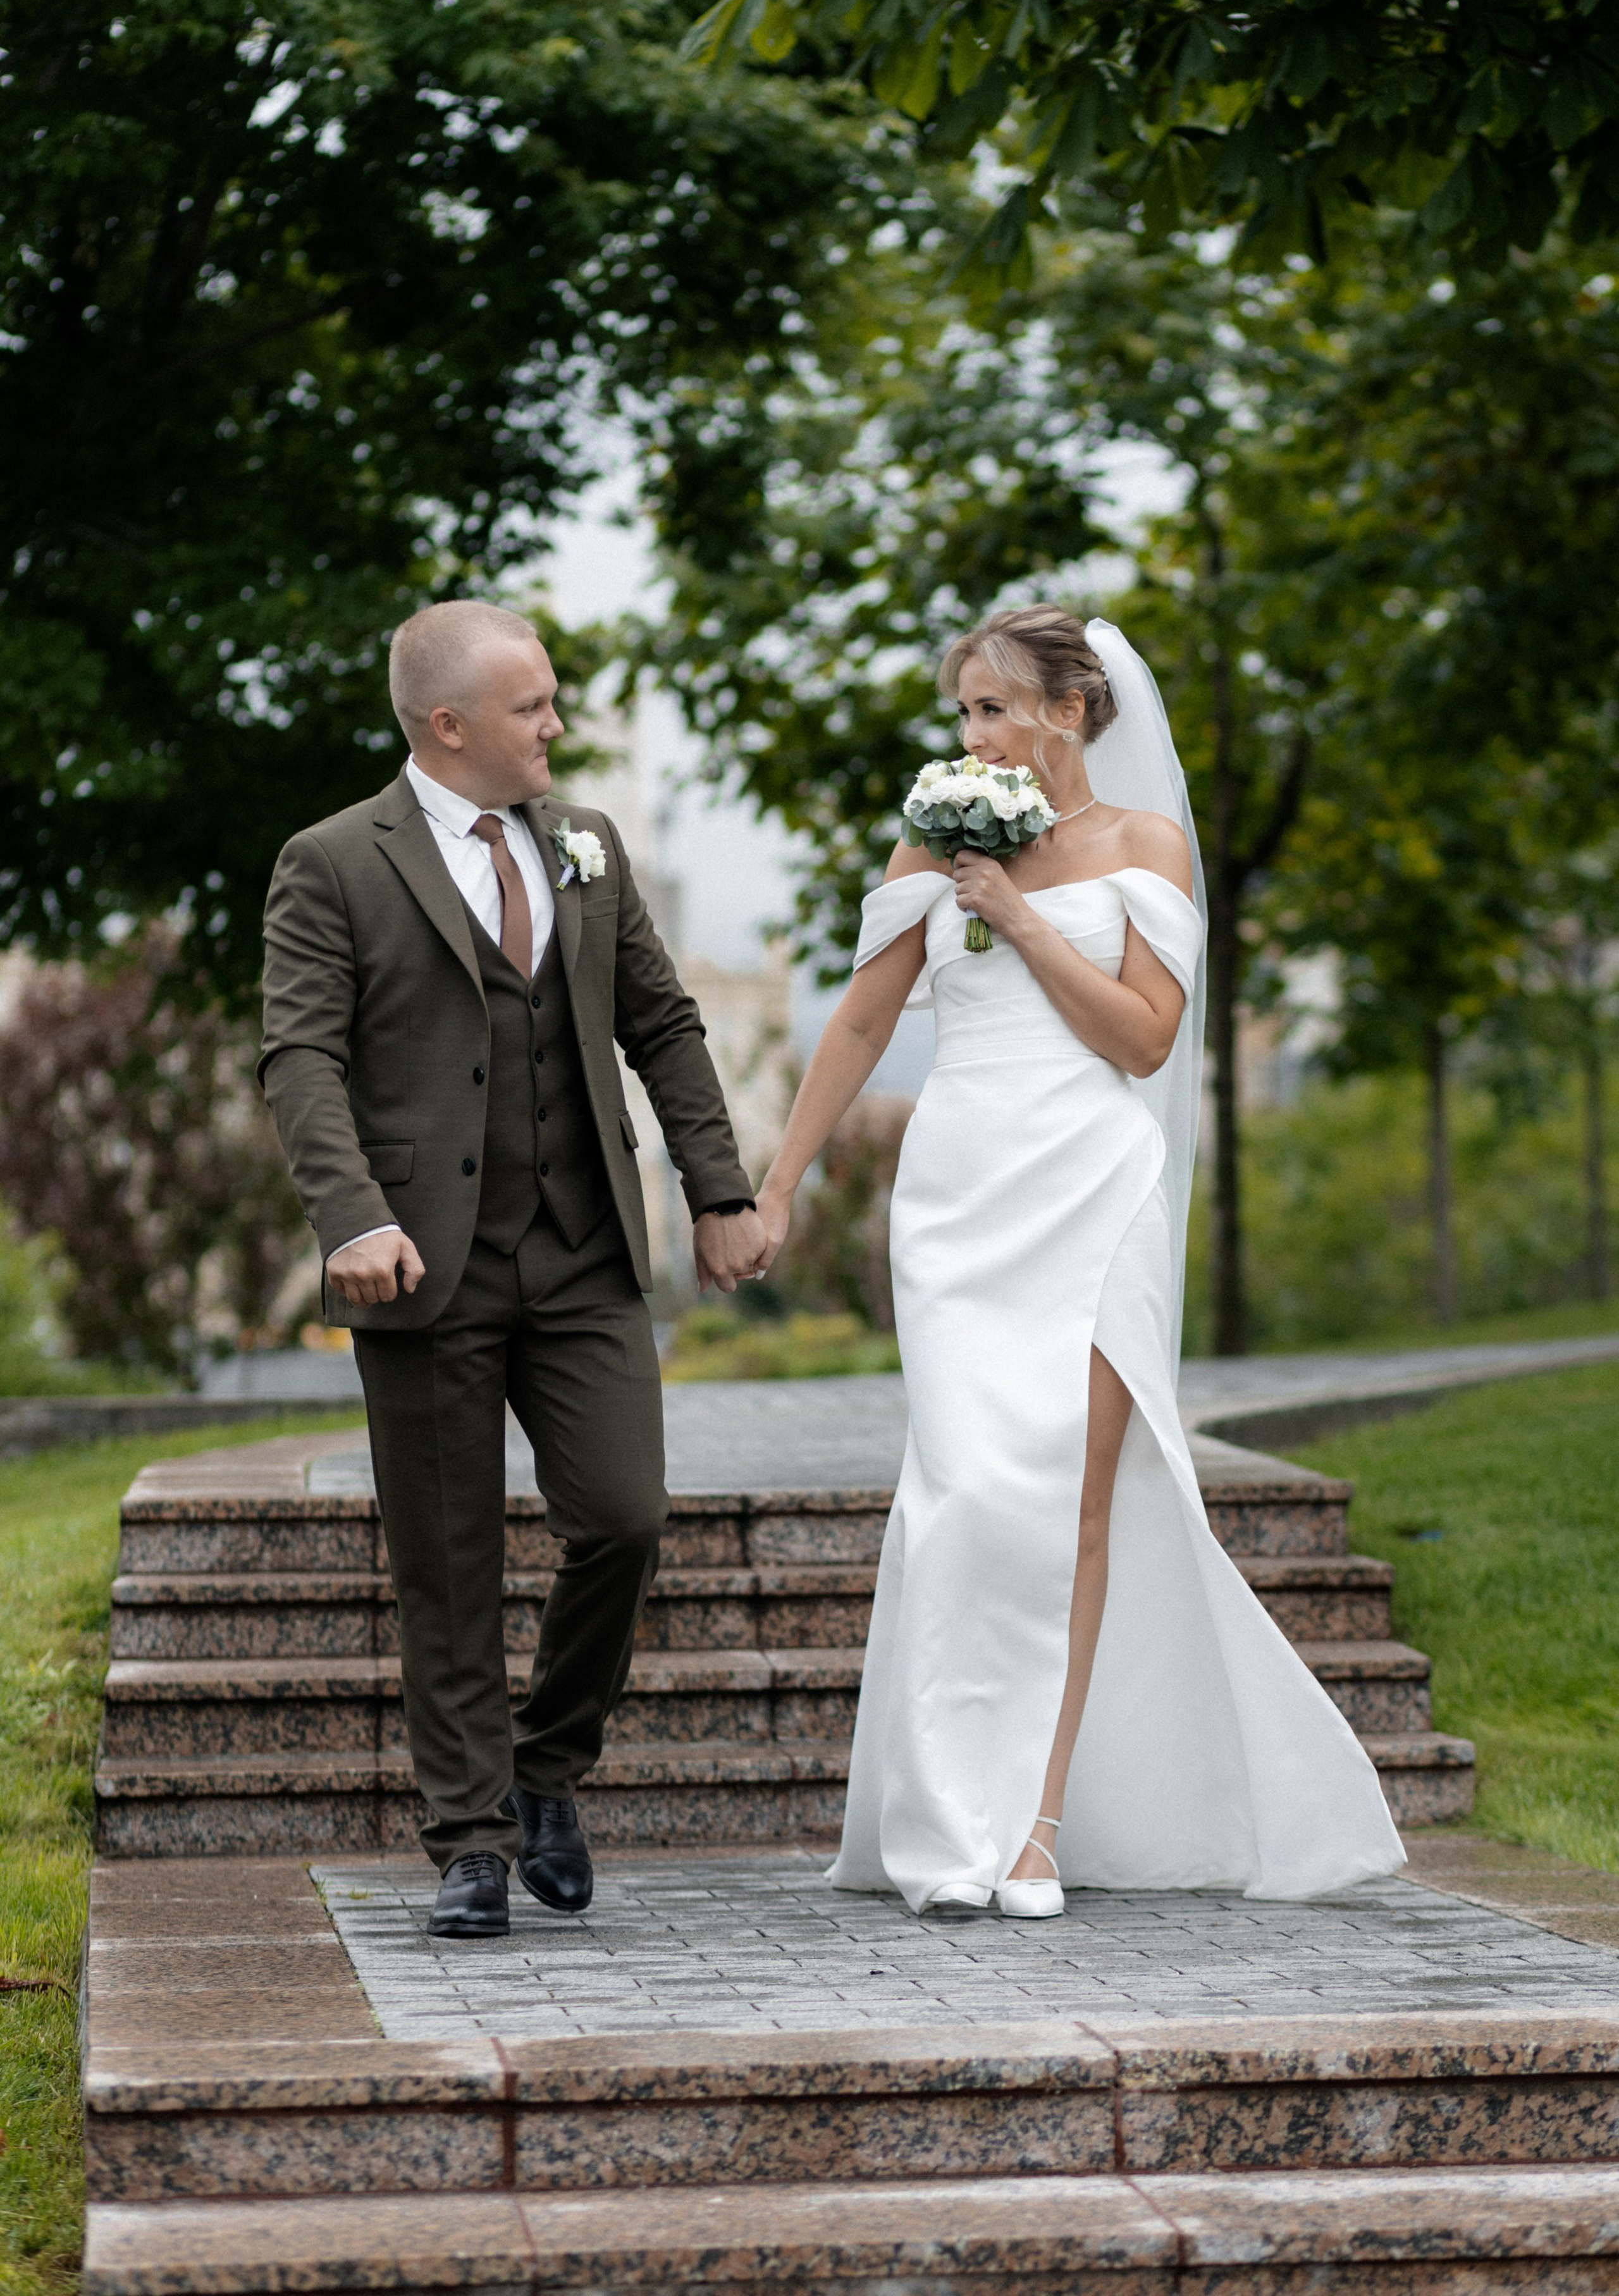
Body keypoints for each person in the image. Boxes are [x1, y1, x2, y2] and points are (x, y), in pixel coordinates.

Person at [755, 607, 1405, 1915]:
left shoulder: (1143, 846)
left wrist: (1016, 913)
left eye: (992, 707)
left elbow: (1143, 1043)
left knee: (1072, 1503)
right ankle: (944, 1821)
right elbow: (864, 1019)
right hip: (954, 1196)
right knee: (956, 1492)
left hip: (1090, 1190)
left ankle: (1036, 1829)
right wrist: (776, 1187)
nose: (971, 734)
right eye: (960, 714)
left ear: (1070, 709)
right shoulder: (926, 841)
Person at [259, 601, 766, 1939]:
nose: (556, 724)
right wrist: (349, 1215)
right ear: (448, 725)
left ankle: (547, 1767)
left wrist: (717, 1190)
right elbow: (300, 1059)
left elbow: (658, 1022)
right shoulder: (331, 863)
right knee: (447, 1560)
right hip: (420, 1261)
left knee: (625, 1517)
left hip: (586, 1248)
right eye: (533, 705)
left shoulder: (588, 847)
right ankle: (471, 1839)